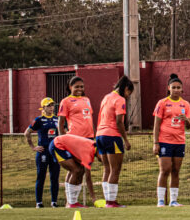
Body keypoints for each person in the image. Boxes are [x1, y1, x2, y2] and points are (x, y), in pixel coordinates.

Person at [153, 74, 190, 207]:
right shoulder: (162, 103)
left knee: (176, 171)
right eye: (174, 87)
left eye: (178, 88)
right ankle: (160, 201)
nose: (176, 90)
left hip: (179, 142)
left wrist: (186, 119)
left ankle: (173, 200)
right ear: (169, 88)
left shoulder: (185, 104)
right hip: (165, 141)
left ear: (182, 90)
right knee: (165, 170)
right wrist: (155, 143)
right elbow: (156, 124)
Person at [96, 75, 133, 207]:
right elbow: (119, 122)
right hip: (112, 136)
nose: (128, 96)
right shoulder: (120, 99)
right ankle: (111, 201)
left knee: (107, 169)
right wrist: (126, 140)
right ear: (126, 88)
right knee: (115, 169)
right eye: (129, 92)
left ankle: (107, 200)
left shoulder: (106, 97)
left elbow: (100, 117)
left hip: (100, 134)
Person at [57, 76, 95, 204]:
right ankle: (71, 201)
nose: (80, 89)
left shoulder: (87, 99)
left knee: (79, 169)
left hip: (88, 138)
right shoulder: (66, 101)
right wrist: (64, 139)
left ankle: (71, 200)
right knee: (78, 169)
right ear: (70, 87)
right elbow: (61, 123)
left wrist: (93, 135)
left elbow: (89, 118)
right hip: (75, 138)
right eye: (77, 87)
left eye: (81, 87)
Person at [24, 97, 60, 208]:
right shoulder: (39, 119)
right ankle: (39, 202)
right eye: (49, 105)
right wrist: (33, 147)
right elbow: (27, 132)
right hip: (43, 151)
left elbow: (64, 132)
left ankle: (54, 202)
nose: (51, 107)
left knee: (55, 177)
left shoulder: (57, 119)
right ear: (43, 107)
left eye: (52, 105)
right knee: (41, 176)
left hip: (54, 152)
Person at [48, 132, 98, 208]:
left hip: (63, 144)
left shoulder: (93, 146)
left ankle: (72, 202)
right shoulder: (89, 151)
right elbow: (88, 178)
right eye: (103, 157)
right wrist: (94, 198)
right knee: (76, 170)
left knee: (81, 170)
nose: (103, 160)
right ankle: (72, 203)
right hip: (58, 144)